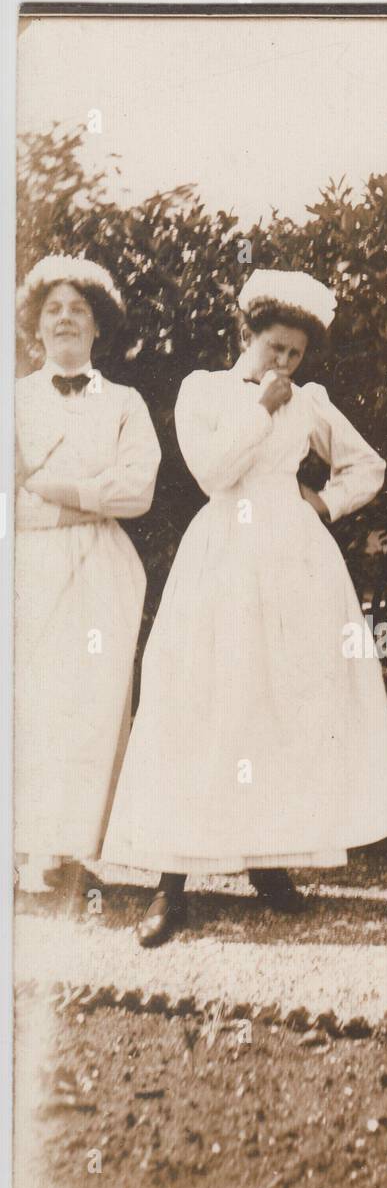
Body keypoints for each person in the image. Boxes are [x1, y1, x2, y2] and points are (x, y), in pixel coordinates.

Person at [102, 268, 387, 945]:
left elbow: (367, 466)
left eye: (296, 354)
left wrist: (324, 503)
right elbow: (212, 471)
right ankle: (170, 882)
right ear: (248, 334)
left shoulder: (310, 401)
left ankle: (269, 862)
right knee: (200, 698)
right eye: (274, 347)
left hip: (295, 561)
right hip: (222, 554)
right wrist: (260, 408)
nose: (285, 363)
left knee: (283, 700)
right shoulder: (203, 390)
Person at [15, 255, 161, 893]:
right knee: (24, 701)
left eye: (79, 309)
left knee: (88, 704)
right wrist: (80, 499)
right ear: (36, 329)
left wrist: (48, 487)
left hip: (104, 568)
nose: (66, 319)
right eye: (54, 310)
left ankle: (67, 851)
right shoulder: (11, 401)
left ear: (99, 327)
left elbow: (136, 493)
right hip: (25, 567)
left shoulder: (126, 404)